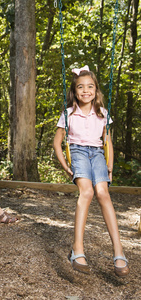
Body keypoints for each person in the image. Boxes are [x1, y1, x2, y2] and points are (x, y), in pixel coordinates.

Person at [53, 66, 130, 277]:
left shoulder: (102, 113)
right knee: (87, 193)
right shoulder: (68, 114)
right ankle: (77, 249)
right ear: (74, 91)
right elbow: (58, 142)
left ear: (96, 90)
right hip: (76, 151)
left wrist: (110, 167)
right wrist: (65, 166)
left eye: (90, 87)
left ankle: (118, 251)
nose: (85, 90)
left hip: (97, 154)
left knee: (103, 193)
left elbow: (108, 143)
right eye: (81, 87)